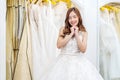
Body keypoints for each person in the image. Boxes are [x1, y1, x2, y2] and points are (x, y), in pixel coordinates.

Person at [41, 7, 104, 80]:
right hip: (63, 63)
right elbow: (59, 45)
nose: (72, 20)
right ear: (67, 20)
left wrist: (77, 34)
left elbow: (83, 50)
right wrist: (71, 34)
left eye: (74, 17)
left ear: (78, 17)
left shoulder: (84, 32)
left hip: (79, 63)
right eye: (70, 18)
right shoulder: (63, 29)